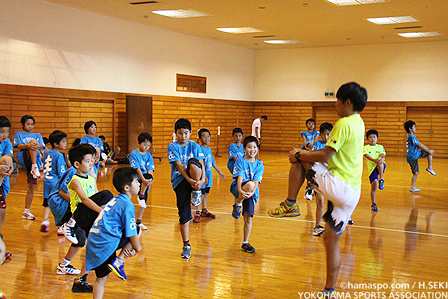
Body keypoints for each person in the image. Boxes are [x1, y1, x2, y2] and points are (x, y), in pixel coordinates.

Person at [287, 82, 367, 296]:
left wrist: (299, 152)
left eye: (337, 101)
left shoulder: (343, 123)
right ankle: (329, 290)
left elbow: (324, 155)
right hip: (352, 195)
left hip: (338, 186)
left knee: (299, 159)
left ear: (347, 102)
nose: (335, 106)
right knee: (331, 240)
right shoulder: (359, 122)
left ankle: (290, 203)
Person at [60, 144, 114, 293]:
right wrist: (101, 211)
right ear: (77, 164)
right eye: (88, 161)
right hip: (80, 213)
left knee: (95, 245)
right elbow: (84, 199)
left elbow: (95, 195)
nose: (92, 163)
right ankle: (69, 224)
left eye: (92, 160)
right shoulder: (75, 181)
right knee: (108, 194)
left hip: (90, 214)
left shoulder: (90, 178)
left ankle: (81, 280)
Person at [86, 167, 143, 299]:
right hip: (104, 244)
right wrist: (137, 249)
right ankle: (119, 261)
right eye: (136, 181)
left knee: (101, 280)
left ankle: (119, 260)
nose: (139, 184)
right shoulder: (127, 205)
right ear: (127, 188)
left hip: (94, 241)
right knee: (137, 230)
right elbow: (131, 232)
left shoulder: (115, 199)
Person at [167, 118, 205, 259]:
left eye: (186, 133)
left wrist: (200, 181)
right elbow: (179, 167)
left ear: (190, 133)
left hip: (195, 179)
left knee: (193, 164)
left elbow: (202, 164)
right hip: (181, 181)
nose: (183, 136)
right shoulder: (172, 147)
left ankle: (196, 192)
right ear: (176, 133)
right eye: (180, 133)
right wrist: (189, 180)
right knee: (184, 215)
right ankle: (186, 245)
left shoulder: (195, 146)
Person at [230, 136, 264, 253]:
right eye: (249, 147)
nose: (252, 150)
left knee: (248, 217)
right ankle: (238, 203)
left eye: (254, 147)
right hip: (239, 187)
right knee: (249, 184)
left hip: (250, 191)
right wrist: (240, 191)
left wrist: (251, 194)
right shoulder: (240, 161)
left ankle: (245, 242)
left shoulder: (259, 164)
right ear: (245, 148)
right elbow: (239, 177)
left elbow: (256, 182)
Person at [14, 115, 46, 220]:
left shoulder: (38, 135)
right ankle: (34, 166)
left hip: (35, 158)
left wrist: (36, 145)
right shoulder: (19, 134)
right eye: (28, 124)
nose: (30, 126)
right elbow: (18, 146)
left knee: (31, 186)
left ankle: (26, 211)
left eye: (32, 124)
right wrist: (28, 145)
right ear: (23, 125)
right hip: (24, 156)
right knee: (32, 143)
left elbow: (42, 146)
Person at [193, 128, 226, 223]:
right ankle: (197, 212)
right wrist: (203, 176)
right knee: (200, 194)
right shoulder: (199, 149)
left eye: (208, 136)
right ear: (199, 138)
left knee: (206, 193)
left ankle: (204, 210)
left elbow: (212, 162)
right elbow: (199, 163)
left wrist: (220, 171)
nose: (206, 138)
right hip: (202, 176)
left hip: (209, 175)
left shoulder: (209, 149)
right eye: (204, 136)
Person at [41, 130, 68, 233]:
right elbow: (61, 173)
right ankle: (60, 226)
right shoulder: (59, 155)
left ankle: (45, 220)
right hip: (56, 183)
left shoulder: (48, 153)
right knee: (59, 204)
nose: (65, 144)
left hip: (47, 181)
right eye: (64, 142)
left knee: (47, 202)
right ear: (56, 144)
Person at [309, 122, 333, 237]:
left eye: (329, 134)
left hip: (332, 177)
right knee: (320, 202)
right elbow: (312, 157)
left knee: (333, 203)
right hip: (319, 177)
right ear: (320, 134)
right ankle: (317, 226)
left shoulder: (334, 145)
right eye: (324, 134)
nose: (326, 137)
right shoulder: (317, 145)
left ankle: (332, 227)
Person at [129, 132, 154, 230]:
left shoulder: (149, 155)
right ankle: (141, 194)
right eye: (144, 144)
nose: (146, 147)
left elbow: (151, 169)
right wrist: (143, 179)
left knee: (143, 203)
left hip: (146, 181)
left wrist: (150, 179)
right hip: (137, 178)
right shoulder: (134, 154)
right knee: (135, 200)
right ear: (139, 143)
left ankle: (139, 221)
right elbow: (137, 168)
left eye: (148, 145)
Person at [404, 120, 436, 192]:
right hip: (414, 155)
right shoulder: (412, 137)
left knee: (416, 172)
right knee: (429, 153)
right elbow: (419, 145)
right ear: (410, 129)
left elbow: (418, 144)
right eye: (414, 127)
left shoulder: (410, 137)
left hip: (410, 156)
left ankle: (413, 188)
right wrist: (428, 150)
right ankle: (430, 168)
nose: (415, 128)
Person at [0, 116, 13, 262]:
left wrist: (6, 169)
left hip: (2, 182)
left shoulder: (6, 142)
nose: (5, 135)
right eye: (2, 131)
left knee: (2, 210)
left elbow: (8, 157)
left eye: (7, 131)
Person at [363, 129, 386, 212]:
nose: (372, 139)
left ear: (377, 138)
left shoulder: (380, 147)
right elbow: (367, 156)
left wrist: (381, 158)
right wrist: (374, 160)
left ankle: (382, 179)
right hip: (372, 169)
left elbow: (382, 154)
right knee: (374, 186)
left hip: (380, 165)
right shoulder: (365, 148)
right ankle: (374, 203)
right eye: (370, 137)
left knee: (380, 163)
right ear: (367, 139)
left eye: (374, 137)